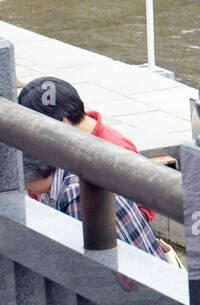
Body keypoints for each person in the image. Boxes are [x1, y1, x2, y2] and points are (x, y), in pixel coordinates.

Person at [17, 76, 157, 223]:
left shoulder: (116, 150)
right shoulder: (60, 143)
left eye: (38, 130)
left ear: (62, 122)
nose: (36, 138)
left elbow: (144, 208)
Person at [23, 156, 168, 261]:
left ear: (34, 175)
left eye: (26, 184)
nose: (27, 190)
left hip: (139, 277)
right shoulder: (61, 171)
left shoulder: (76, 193)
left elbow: (81, 255)